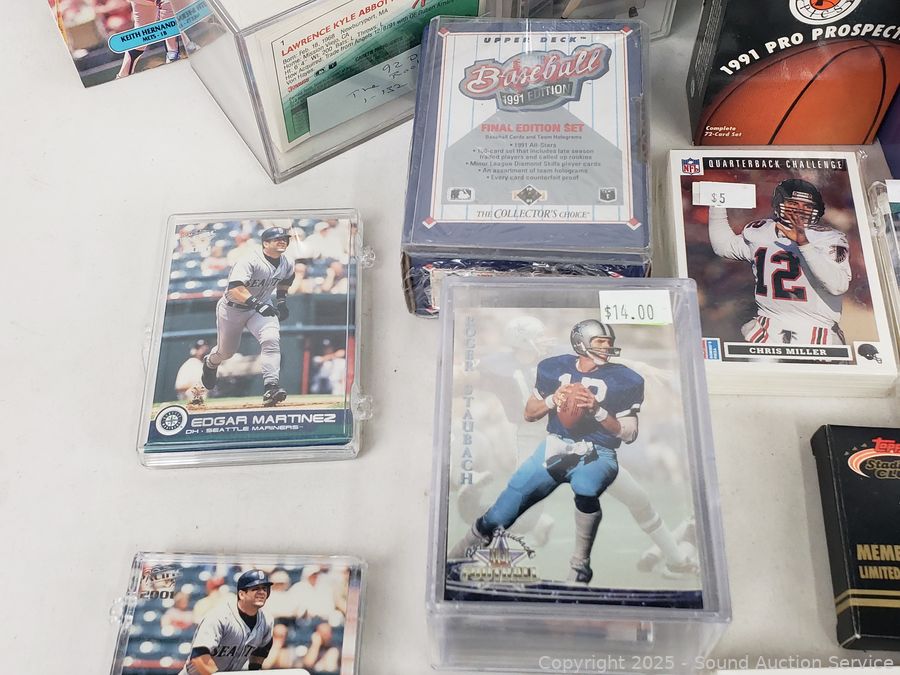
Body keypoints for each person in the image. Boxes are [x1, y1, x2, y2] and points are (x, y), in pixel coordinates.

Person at [450, 320, 644, 584]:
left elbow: (629, 433)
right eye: (600, 342)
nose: (606, 348)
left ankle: (580, 566)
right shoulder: (552, 367)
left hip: (596, 449)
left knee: (588, 487)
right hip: (553, 443)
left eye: (608, 343)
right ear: (581, 344)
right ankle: (456, 557)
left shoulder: (625, 379)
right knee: (509, 503)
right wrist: (554, 399)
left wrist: (597, 410)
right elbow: (530, 412)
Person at [708, 178, 851, 346]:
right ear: (779, 203)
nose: (800, 210)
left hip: (817, 331)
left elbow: (837, 285)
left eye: (807, 206)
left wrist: (804, 244)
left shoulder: (828, 238)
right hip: (768, 328)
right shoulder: (762, 232)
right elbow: (723, 246)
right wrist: (716, 204)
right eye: (793, 204)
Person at [201, 227, 294, 407]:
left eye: (285, 238)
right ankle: (210, 363)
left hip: (260, 307)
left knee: (271, 339)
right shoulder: (250, 260)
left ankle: (271, 387)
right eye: (278, 239)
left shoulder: (287, 262)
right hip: (232, 309)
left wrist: (281, 302)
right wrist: (257, 304)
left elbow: (286, 281)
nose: (283, 241)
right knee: (226, 352)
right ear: (265, 243)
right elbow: (235, 289)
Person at [178, 570, 274, 674]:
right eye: (255, 589)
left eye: (265, 589)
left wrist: (254, 670)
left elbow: (262, 650)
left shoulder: (267, 620)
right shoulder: (219, 617)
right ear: (242, 594)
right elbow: (199, 656)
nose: (262, 592)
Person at [174, 339, 209, 403]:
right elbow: (179, 387)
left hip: (204, 400)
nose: (204, 350)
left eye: (205, 348)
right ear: (194, 351)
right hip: (188, 402)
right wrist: (194, 386)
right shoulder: (189, 365)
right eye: (200, 348)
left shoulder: (203, 365)